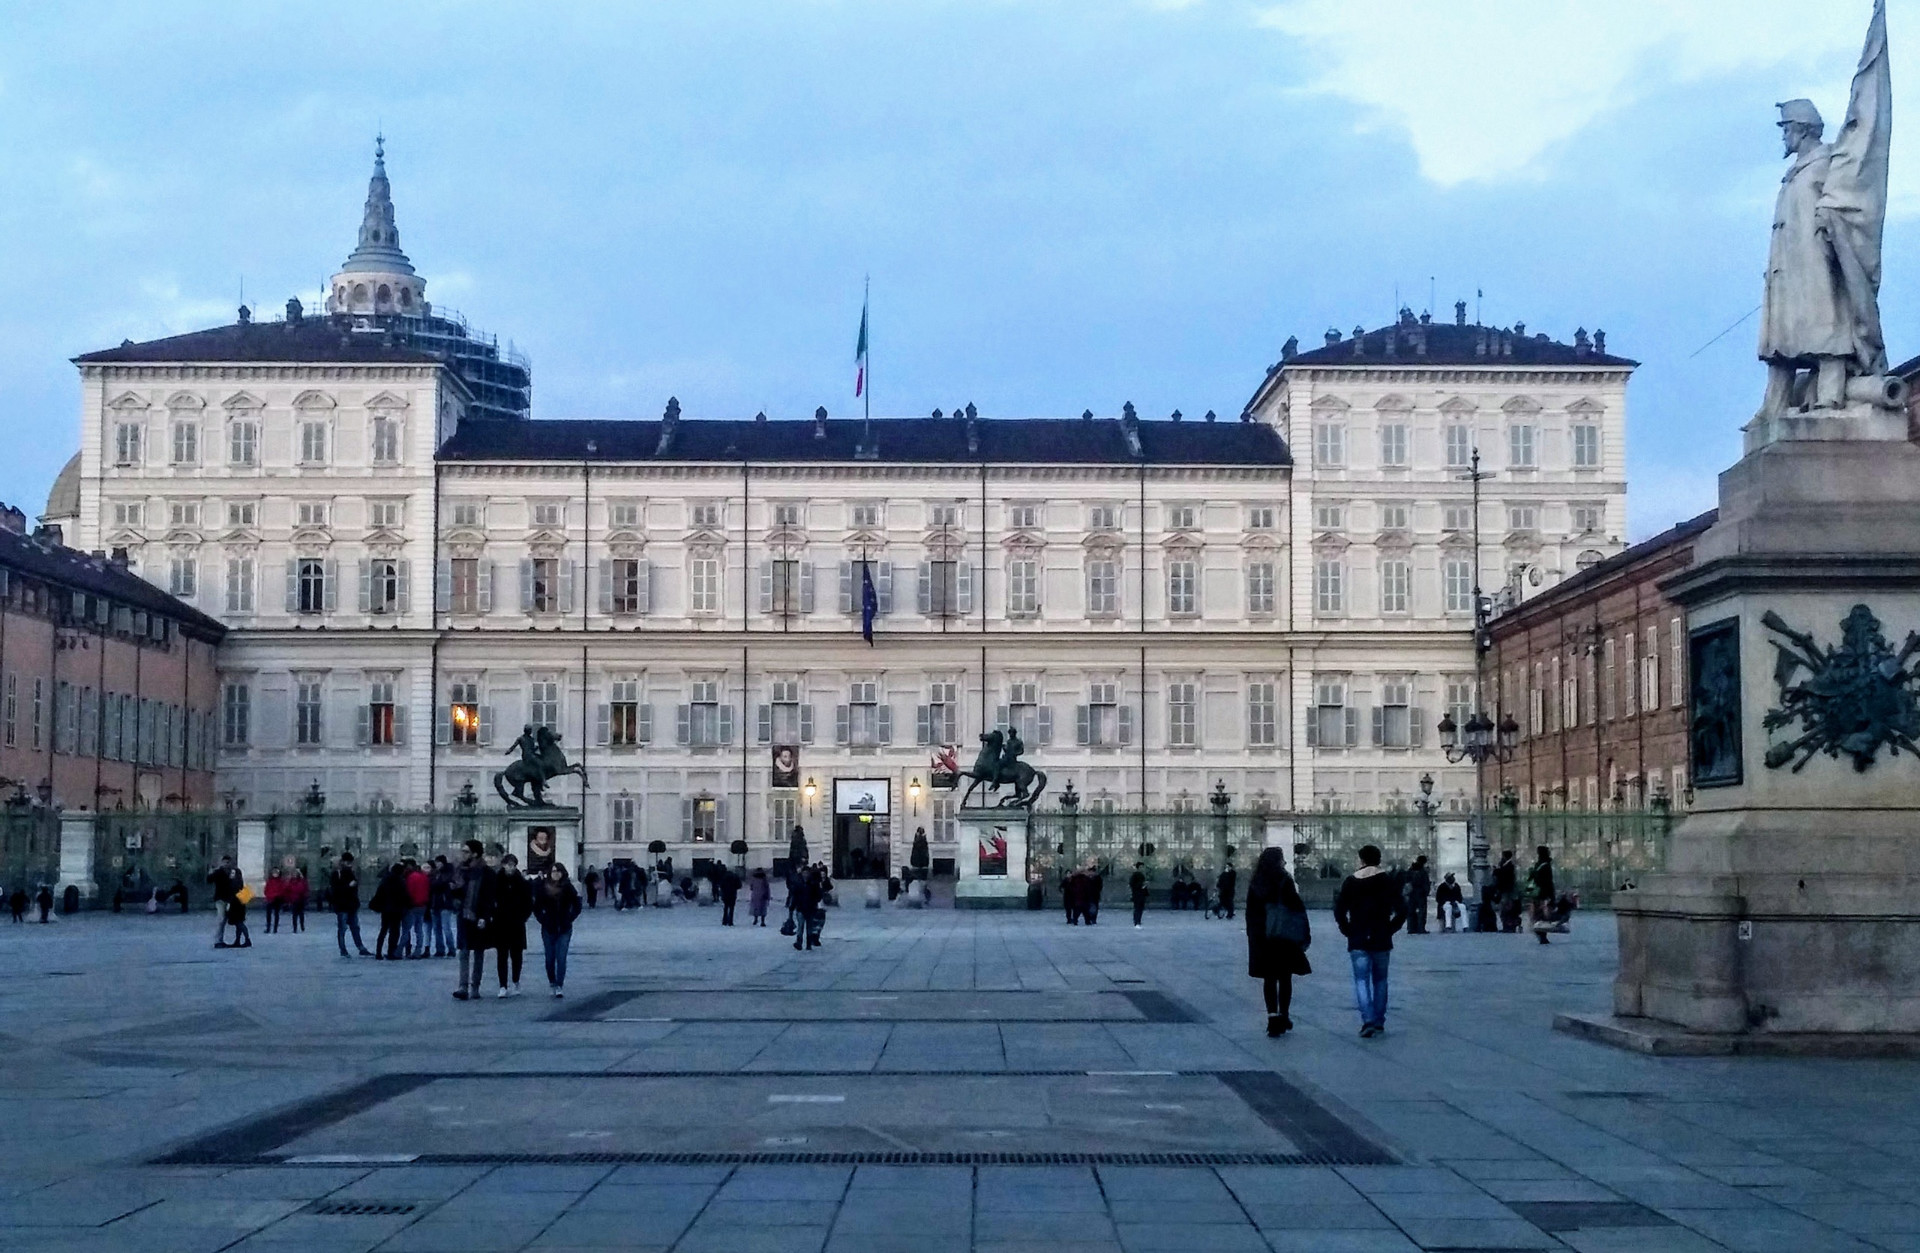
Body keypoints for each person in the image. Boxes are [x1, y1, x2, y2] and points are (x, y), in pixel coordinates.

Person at [1333, 844, 1407, 1038]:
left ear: (1362, 860)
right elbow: (1402, 909)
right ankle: (1379, 1020)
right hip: (1381, 936)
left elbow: (1339, 909)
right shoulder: (1387, 881)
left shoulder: (1351, 881)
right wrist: (1391, 928)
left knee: (1361, 981)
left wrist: (1346, 929)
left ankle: (1368, 1020)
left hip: (1358, 936)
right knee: (1381, 980)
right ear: (1379, 859)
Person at [1244, 848, 1311, 1037]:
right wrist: (1304, 932)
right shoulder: (1284, 879)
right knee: (1285, 977)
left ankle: (1272, 1017)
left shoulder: (1256, 882)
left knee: (1269, 978)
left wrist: (1253, 934)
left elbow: (1250, 912)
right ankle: (1284, 1014)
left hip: (1263, 935)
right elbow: (1297, 908)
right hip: (1283, 935)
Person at [453, 841, 496, 1000]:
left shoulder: (486, 873)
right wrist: (454, 894)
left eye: (466, 851)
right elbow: (456, 892)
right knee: (463, 952)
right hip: (463, 915)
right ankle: (462, 986)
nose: (462, 854)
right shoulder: (460, 871)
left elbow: (489, 897)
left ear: (475, 853)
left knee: (478, 952)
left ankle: (475, 986)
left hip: (478, 916)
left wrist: (485, 916)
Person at [532, 864, 583, 997]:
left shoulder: (568, 887)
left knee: (561, 957)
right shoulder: (543, 888)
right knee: (549, 958)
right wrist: (543, 919)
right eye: (553, 871)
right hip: (548, 927)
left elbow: (577, 905)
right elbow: (536, 906)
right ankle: (552, 982)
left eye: (558, 871)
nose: (556, 874)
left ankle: (560, 985)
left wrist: (570, 918)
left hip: (564, 927)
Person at [493, 853, 533, 996]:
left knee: (517, 955)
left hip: (517, 923)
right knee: (501, 955)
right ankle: (502, 985)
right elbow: (491, 900)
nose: (510, 868)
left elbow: (528, 902)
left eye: (513, 865)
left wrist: (523, 917)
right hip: (501, 923)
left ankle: (516, 980)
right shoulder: (496, 881)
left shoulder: (521, 882)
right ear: (503, 865)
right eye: (508, 865)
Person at [331, 853, 372, 957]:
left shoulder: (350, 872)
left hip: (350, 904)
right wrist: (349, 886)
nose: (349, 864)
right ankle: (344, 949)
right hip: (343, 905)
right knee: (344, 928)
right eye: (348, 862)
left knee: (353, 927)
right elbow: (336, 889)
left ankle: (359, 947)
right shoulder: (338, 873)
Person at [371, 863, 408, 960]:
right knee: (394, 932)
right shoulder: (401, 882)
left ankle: (378, 952)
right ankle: (391, 952)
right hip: (396, 910)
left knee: (383, 930)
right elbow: (404, 896)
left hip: (386, 909)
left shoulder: (385, 880)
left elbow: (379, 894)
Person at [207, 855, 242, 948]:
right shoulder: (218, 872)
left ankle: (238, 939)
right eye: (225, 862)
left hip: (233, 899)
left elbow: (240, 884)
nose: (226, 864)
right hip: (221, 898)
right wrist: (210, 872)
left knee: (235, 920)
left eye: (228, 862)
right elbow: (209, 880)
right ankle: (218, 941)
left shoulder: (236, 871)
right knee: (221, 919)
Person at [1526, 846, 1557, 945]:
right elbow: (1549, 882)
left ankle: (1540, 933)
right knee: (1544, 915)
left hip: (1536, 893)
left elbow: (1531, 878)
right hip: (1544, 893)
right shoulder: (1546, 865)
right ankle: (1543, 935)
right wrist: (1552, 896)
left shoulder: (1537, 865)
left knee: (1538, 915)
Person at [430, 855, 457, 957]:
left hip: (445, 903)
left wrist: (438, 884)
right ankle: (440, 949)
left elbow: (439, 884)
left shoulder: (448, 873)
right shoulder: (436, 873)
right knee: (437, 928)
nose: (437, 864)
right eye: (436, 862)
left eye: (439, 862)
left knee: (446, 928)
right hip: (436, 903)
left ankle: (451, 949)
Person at [404, 860, 432, 958]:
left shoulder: (411, 877)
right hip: (422, 905)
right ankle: (418, 950)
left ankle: (401, 950)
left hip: (412, 905)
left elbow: (409, 891)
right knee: (419, 929)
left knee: (406, 929)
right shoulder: (424, 877)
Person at [1493, 850, 1521, 933]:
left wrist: (1497, 871)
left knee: (1506, 908)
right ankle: (1508, 925)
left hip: (1507, 891)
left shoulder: (1509, 866)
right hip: (1506, 891)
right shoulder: (1506, 866)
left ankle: (1509, 926)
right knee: (1506, 908)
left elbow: (1504, 876)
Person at [1404, 855, 1432, 936]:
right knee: (1422, 911)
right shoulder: (1423, 871)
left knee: (1411, 911)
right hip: (1421, 893)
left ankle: (1411, 928)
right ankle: (1421, 928)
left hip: (1411, 893)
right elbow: (1426, 883)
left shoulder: (1411, 869)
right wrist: (1426, 892)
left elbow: (1406, 880)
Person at [285, 868, 308, 933]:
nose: (294, 875)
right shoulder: (291, 881)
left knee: (301, 914)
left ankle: (302, 926)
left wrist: (305, 897)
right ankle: (295, 928)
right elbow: (288, 890)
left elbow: (305, 889)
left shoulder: (302, 881)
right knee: (294, 915)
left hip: (301, 899)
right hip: (294, 900)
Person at [263, 869, 285, 934]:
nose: (275, 874)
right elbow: (266, 889)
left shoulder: (280, 881)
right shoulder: (270, 881)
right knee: (268, 915)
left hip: (277, 899)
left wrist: (277, 895)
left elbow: (282, 890)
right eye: (274, 873)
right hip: (270, 899)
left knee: (276, 914)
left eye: (276, 873)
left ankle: (275, 928)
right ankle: (268, 928)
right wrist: (268, 895)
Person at [1129, 862, 1149, 928]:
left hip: (1141, 894)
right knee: (1137, 908)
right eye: (1141, 867)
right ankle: (1136, 921)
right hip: (1137, 894)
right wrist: (1142, 885)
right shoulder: (1135, 875)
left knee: (1140, 908)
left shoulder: (1141, 875)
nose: (1142, 869)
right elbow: (1132, 884)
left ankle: (1138, 921)